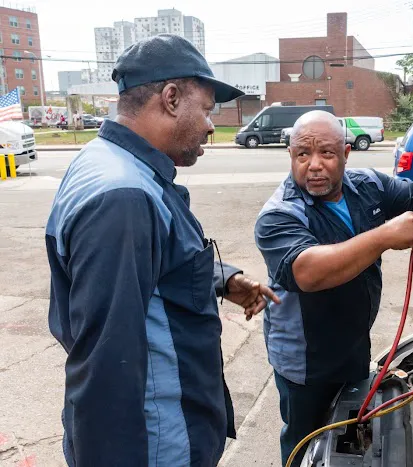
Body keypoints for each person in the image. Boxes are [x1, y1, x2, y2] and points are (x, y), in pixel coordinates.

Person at [45, 34, 279, 467]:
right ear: (171, 98)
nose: (212, 124)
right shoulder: (123, 197)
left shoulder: (110, 162)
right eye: (207, 109)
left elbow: (153, 259)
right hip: (155, 443)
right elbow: (106, 365)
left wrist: (220, 278)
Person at [254, 111, 413, 467]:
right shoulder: (279, 214)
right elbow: (308, 272)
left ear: (346, 154)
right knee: (306, 440)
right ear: (291, 156)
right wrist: (384, 236)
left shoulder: (365, 185)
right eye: (303, 155)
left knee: (348, 434)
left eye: (327, 154)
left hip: (353, 341)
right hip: (306, 358)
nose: (314, 165)